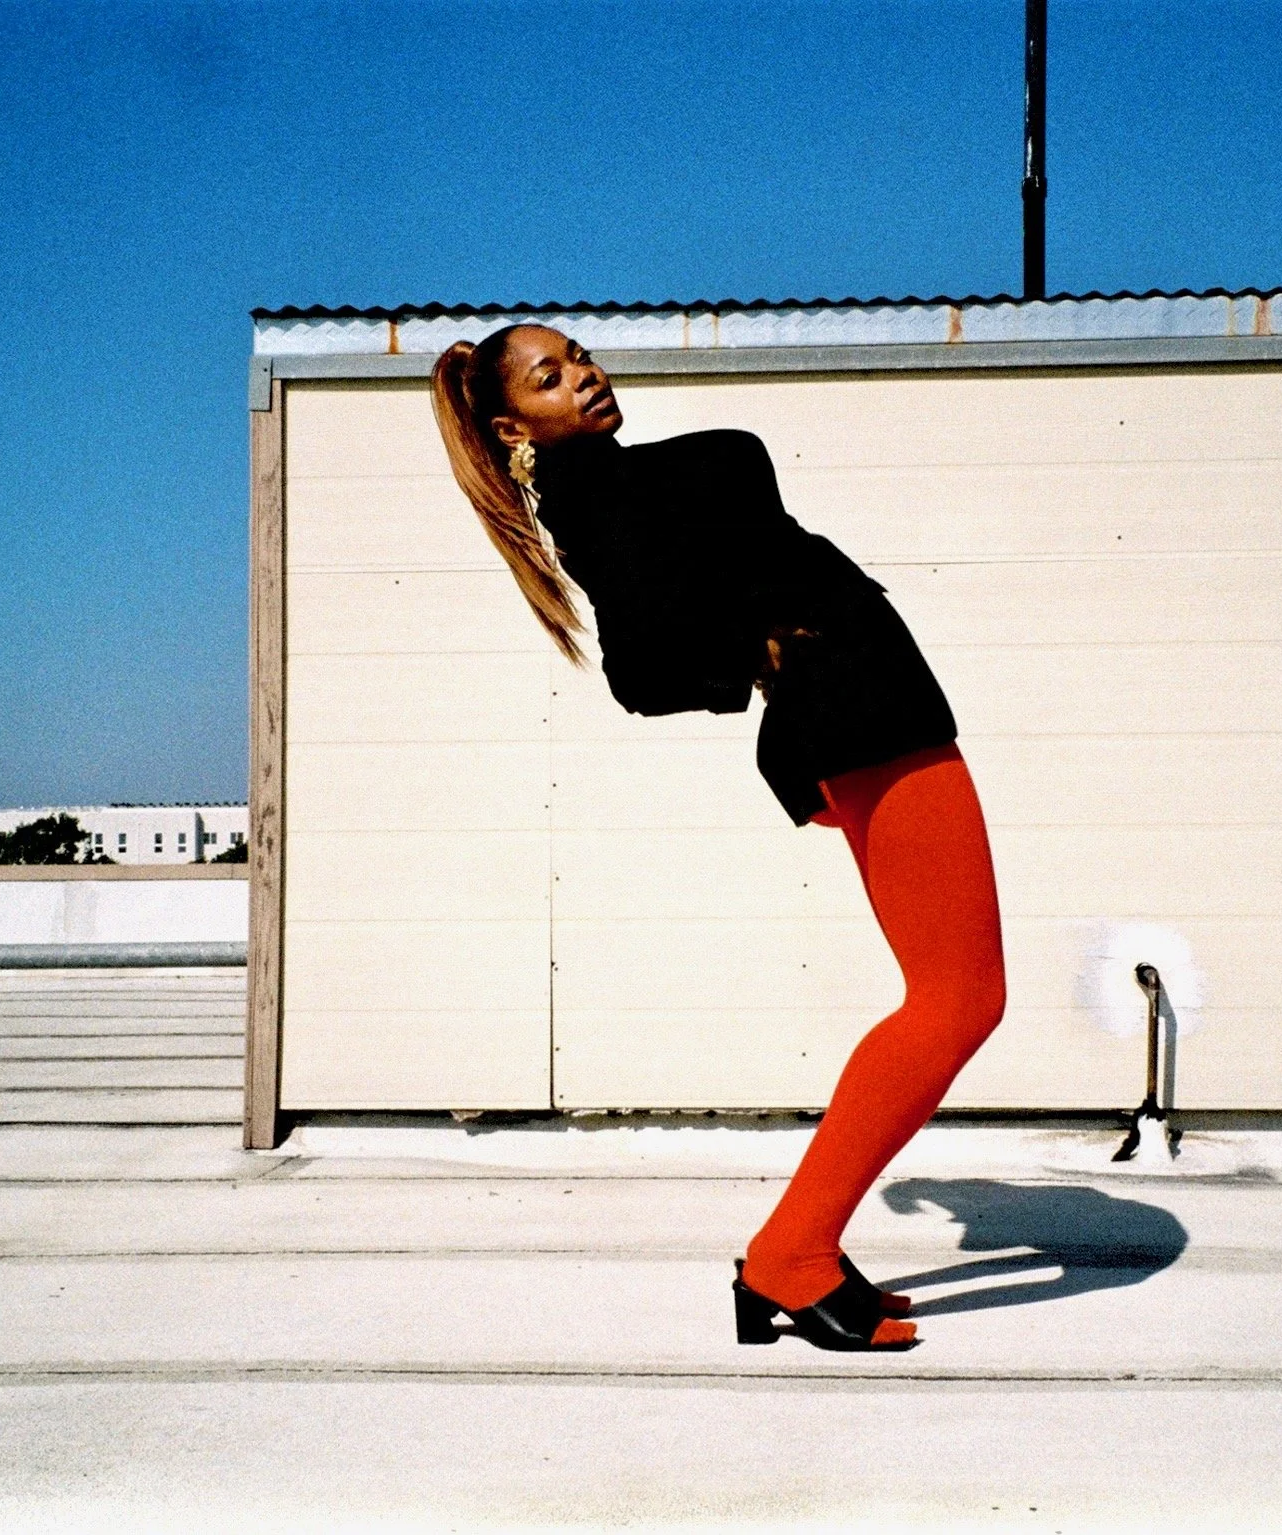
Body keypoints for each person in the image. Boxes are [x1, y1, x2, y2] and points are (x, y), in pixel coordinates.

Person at [431, 324, 1007, 1352]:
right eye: (550, 378)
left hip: (863, 709)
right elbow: (641, 673)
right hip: (863, 710)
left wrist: (770, 648)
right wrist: (766, 649)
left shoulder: (619, 481)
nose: (584, 377)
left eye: (579, 357)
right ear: (516, 428)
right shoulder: (590, 496)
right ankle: (790, 1252)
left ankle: (798, 1248)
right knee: (958, 999)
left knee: (951, 994)